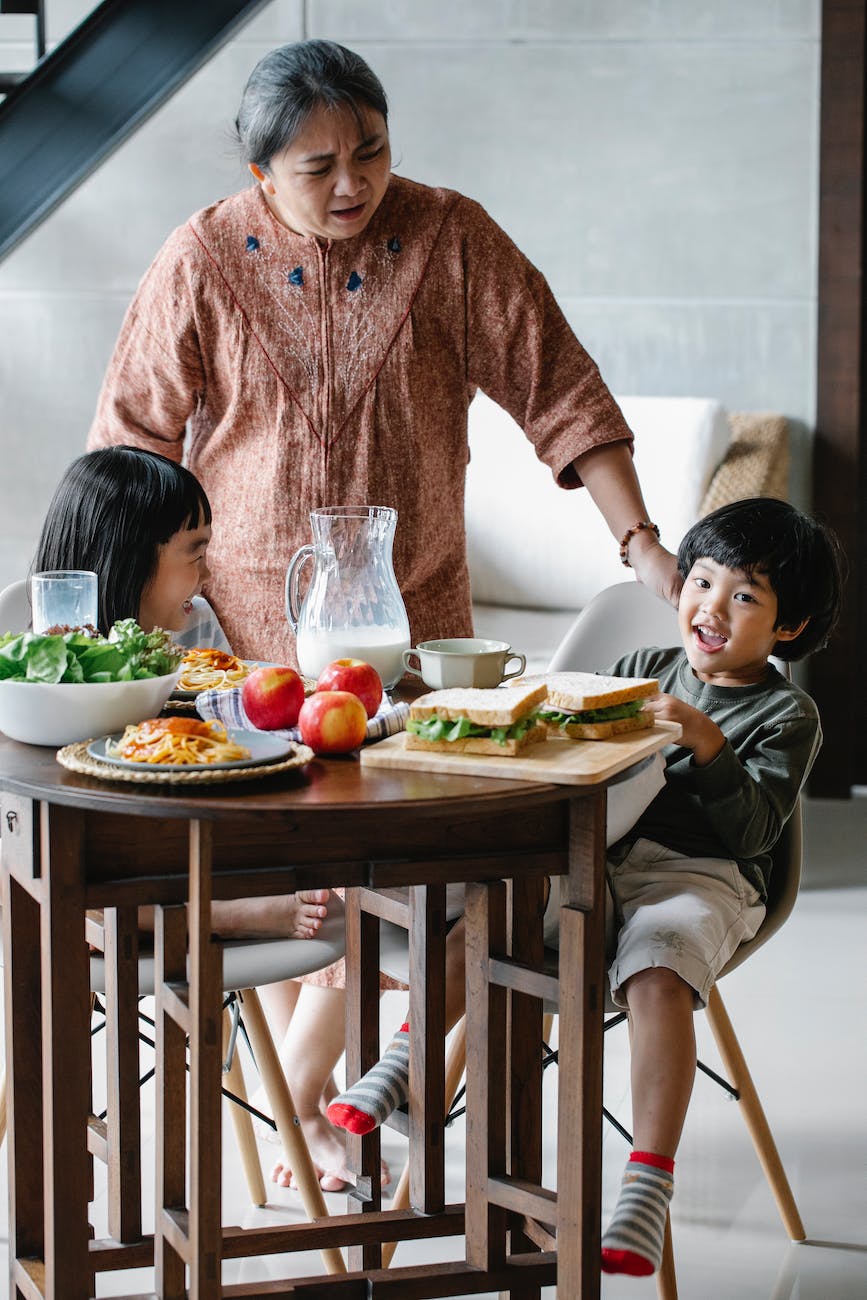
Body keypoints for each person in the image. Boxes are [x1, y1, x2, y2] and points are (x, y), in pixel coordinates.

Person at [85, 38, 681, 1193]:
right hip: (248, 644)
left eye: (372, 150)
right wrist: (137, 624)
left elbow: (562, 386)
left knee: (402, 867)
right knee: (316, 868)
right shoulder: (200, 257)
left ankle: (323, 1114)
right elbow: (130, 444)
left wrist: (641, 540)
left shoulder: (451, 237)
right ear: (260, 175)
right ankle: (311, 1122)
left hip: (415, 635)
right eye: (319, 166)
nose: (353, 182)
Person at [326, 497, 845, 1277]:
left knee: (657, 967)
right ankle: (404, 1061)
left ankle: (645, 1183)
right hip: (595, 857)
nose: (710, 607)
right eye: (700, 582)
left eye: (744, 596)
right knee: (493, 903)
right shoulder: (641, 670)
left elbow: (753, 837)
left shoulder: (784, 712)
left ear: (788, 628)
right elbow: (565, 750)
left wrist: (704, 742)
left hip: (700, 877)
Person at [32, 445, 330, 943]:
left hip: (197, 841)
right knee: (70, 873)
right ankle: (226, 916)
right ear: (130, 557)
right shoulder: (56, 660)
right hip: (93, 875)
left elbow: (236, 737)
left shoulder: (197, 632)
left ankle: (237, 919)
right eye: (196, 555)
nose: (207, 575)